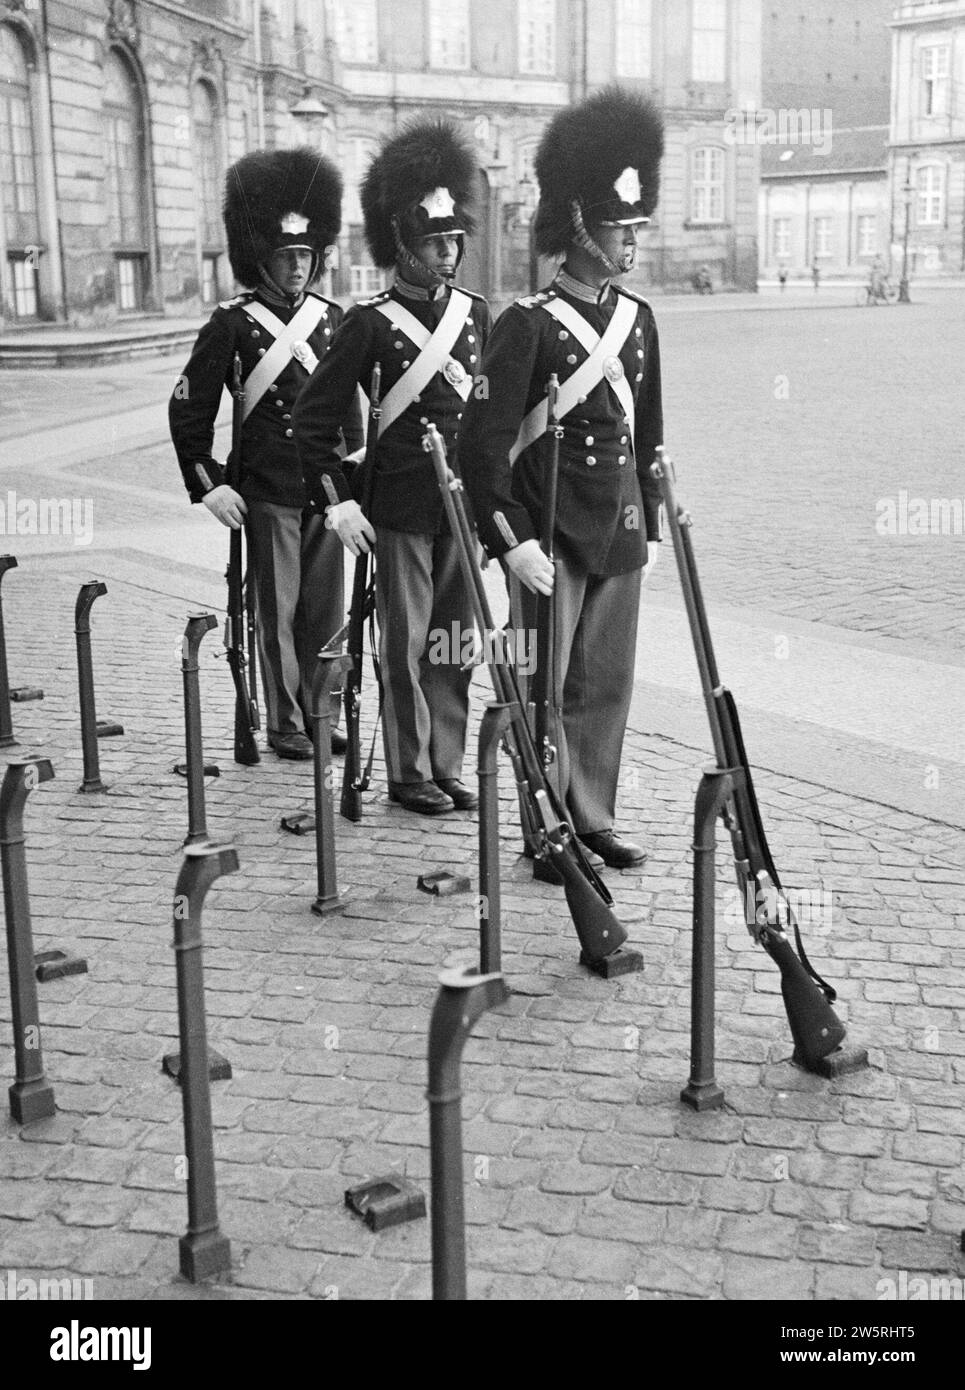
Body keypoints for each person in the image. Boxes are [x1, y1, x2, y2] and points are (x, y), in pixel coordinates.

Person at [459, 86, 665, 870]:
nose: (629, 246)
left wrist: (650, 515)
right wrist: (507, 541)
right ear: (578, 224)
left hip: (614, 527)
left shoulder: (638, 320)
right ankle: (544, 826)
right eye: (619, 230)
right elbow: (482, 448)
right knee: (540, 687)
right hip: (546, 531)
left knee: (603, 685)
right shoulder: (527, 323)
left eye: (633, 229)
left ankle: (591, 814)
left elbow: (645, 433)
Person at [294, 121, 491, 815]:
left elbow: (491, 424)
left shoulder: (475, 317)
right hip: (400, 505)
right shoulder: (370, 322)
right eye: (434, 242)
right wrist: (336, 501)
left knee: (453, 643)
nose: (447, 253)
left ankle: (445, 760)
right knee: (405, 645)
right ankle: (408, 772)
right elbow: (311, 420)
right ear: (402, 244)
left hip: (459, 508)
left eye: (453, 240)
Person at [170, 149, 362, 761]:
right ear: (263, 256)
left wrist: (352, 472)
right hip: (269, 487)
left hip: (326, 490)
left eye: (307, 254)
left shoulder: (333, 321)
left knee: (324, 612)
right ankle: (282, 720)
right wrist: (209, 484)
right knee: (276, 614)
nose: (300, 266)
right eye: (287, 255)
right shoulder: (231, 325)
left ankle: (318, 712)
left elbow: (349, 415)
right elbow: (188, 410)